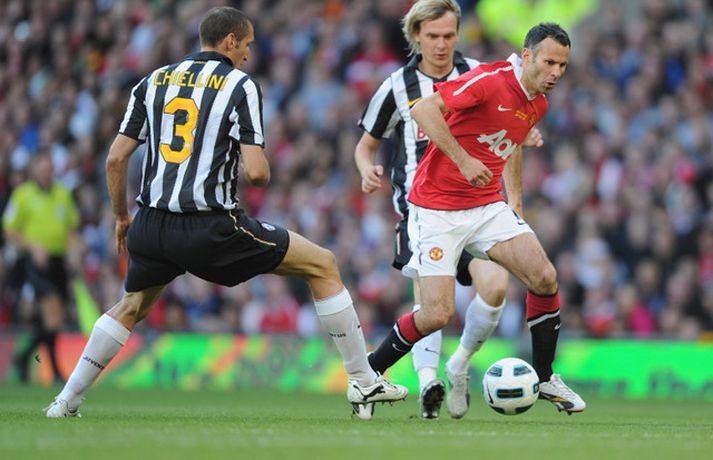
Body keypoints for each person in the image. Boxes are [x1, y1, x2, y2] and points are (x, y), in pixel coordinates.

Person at [44, 6, 406, 420]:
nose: (249, 54)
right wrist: (260, 162)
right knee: (323, 264)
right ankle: (362, 380)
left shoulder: (153, 81)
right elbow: (257, 173)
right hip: (209, 228)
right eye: (247, 44)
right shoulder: (240, 85)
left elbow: (115, 158)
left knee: (130, 306)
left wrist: (121, 217)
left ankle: (65, 401)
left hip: (151, 225)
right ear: (230, 41)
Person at [366, 22, 586, 415]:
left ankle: (545, 377)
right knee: (436, 314)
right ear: (528, 55)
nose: (556, 72)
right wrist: (464, 160)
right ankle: (367, 375)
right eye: (549, 62)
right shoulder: (489, 80)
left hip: (486, 207)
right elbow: (423, 110)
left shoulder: (538, 103)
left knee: (544, 277)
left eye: (563, 66)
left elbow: (509, 144)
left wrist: (515, 200)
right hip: (436, 209)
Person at [3, 152, 79, 384]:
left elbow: (71, 228)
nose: (47, 173)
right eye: (43, 168)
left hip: (58, 261)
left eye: (49, 169)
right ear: (35, 170)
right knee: (52, 309)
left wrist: (73, 251)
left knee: (54, 318)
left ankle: (23, 357)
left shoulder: (62, 194)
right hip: (34, 262)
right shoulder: (23, 194)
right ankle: (55, 370)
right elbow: (9, 230)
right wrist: (33, 246)